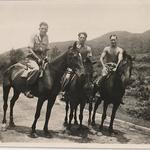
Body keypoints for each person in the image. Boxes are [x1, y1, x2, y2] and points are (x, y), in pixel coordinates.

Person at [60, 32, 93, 98]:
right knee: (67, 76)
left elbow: (89, 58)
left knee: (90, 78)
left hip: (83, 67)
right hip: (74, 66)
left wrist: (87, 59)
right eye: (81, 37)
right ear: (78, 38)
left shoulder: (88, 48)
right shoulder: (74, 47)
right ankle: (64, 92)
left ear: (86, 39)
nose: (82, 39)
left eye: (84, 38)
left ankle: (90, 94)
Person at [24, 22, 50, 98]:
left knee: (49, 71)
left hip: (41, 59)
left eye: (45, 29)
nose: (44, 30)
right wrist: (37, 58)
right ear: (39, 29)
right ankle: (27, 89)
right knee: (36, 69)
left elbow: (47, 50)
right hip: (31, 58)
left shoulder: (46, 37)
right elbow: (30, 49)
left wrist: (46, 57)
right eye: (42, 28)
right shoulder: (34, 36)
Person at [97, 34, 124, 104]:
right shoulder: (106, 49)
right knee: (101, 79)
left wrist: (116, 67)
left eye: (114, 39)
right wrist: (104, 66)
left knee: (121, 80)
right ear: (110, 40)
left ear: (116, 40)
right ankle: (98, 93)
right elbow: (101, 58)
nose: (113, 41)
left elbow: (120, 59)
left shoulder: (120, 50)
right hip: (107, 67)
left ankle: (120, 96)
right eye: (111, 40)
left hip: (115, 67)